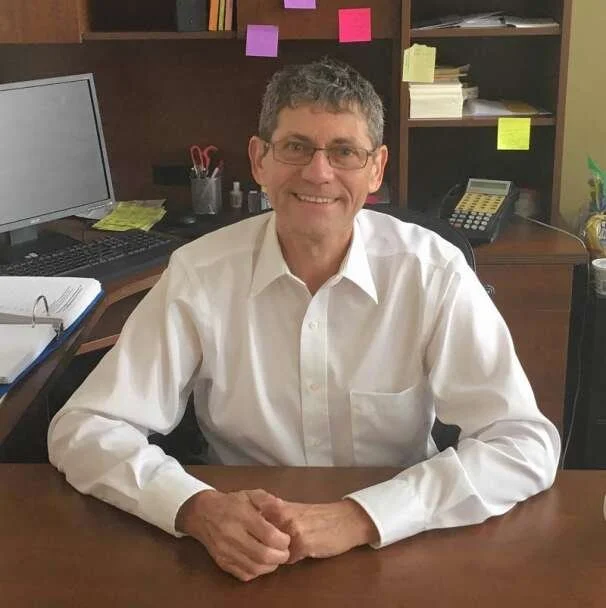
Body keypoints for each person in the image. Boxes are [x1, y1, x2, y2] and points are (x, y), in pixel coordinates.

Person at [48, 58, 560, 582]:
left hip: (399, 545)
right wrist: (194, 507)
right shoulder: (200, 272)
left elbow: (524, 444)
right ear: (260, 159)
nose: (319, 172)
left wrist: (362, 515)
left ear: (376, 169)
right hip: (240, 547)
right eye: (296, 147)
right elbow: (84, 427)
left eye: (344, 151)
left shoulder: (431, 272)